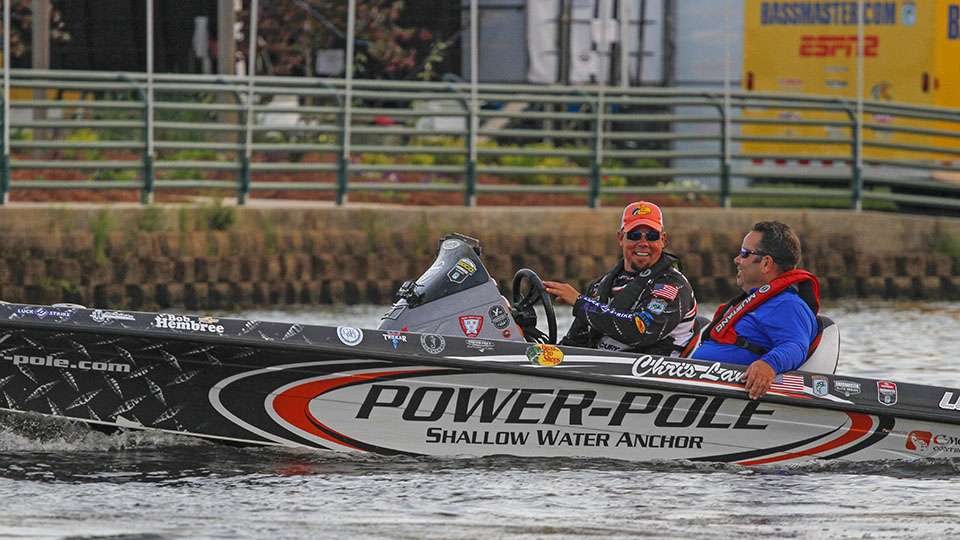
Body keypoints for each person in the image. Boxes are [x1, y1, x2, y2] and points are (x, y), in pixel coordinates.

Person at [544, 201, 697, 356]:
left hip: (650, 366)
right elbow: (575, 342)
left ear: (662, 240)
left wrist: (580, 303)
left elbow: (640, 331)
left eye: (652, 236)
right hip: (602, 365)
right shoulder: (600, 286)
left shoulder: (673, 286)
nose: (643, 243)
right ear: (620, 238)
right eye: (634, 235)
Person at [692, 221, 819, 400]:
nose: (737, 260)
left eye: (744, 253)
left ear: (766, 263)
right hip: (698, 382)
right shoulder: (753, 302)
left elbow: (796, 346)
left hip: (725, 391)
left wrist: (768, 365)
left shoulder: (787, 304)